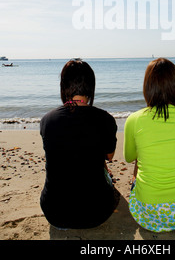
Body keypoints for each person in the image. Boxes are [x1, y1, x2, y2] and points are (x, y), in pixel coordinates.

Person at [123, 57, 175, 232]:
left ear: (147, 88)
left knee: (140, 159)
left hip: (150, 212)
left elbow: (129, 157)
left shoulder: (135, 119)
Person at [40, 58, 119, 229]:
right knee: (104, 171)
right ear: (91, 87)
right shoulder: (105, 119)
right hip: (96, 214)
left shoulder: (47, 120)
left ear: (63, 86)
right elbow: (109, 156)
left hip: (55, 213)